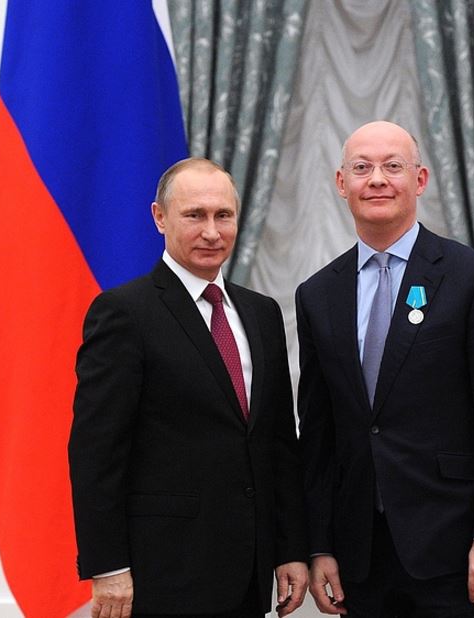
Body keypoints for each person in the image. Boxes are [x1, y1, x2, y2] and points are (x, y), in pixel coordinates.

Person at [295, 121, 474, 617]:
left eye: (393, 166)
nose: (376, 179)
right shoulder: (317, 294)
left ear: (420, 180)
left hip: (452, 549)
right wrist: (319, 546)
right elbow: (318, 433)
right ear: (342, 184)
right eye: (361, 168)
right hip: (359, 552)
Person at [69, 158, 308, 618]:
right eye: (194, 215)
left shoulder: (261, 314)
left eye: (224, 215)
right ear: (160, 217)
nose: (212, 231)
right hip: (162, 574)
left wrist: (290, 547)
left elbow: (278, 442)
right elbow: (97, 450)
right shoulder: (124, 313)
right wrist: (108, 565)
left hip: (250, 575)